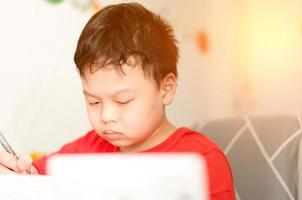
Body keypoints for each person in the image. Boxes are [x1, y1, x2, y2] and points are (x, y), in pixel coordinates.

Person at [0, 2, 235, 199]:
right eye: (93, 102)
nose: (106, 116)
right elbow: (34, 181)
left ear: (166, 88)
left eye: (123, 101)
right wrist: (21, 177)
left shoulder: (202, 161)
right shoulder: (86, 150)